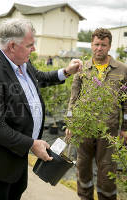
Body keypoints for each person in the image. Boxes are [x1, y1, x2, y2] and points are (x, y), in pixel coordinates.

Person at [0, 18, 82, 200]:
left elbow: (39, 77)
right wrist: (31, 144)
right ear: (12, 46)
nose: (34, 49)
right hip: (0, 153)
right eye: (30, 44)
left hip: (19, 147)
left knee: (17, 189)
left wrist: (66, 72)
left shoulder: (21, 61)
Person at [65, 28, 127, 200]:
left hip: (109, 131)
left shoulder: (122, 70)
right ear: (91, 45)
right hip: (84, 129)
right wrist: (70, 123)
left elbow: (126, 103)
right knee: (82, 169)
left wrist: (125, 128)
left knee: (107, 172)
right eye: (96, 44)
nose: (99, 48)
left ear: (109, 46)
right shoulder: (81, 68)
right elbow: (73, 98)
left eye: (103, 45)